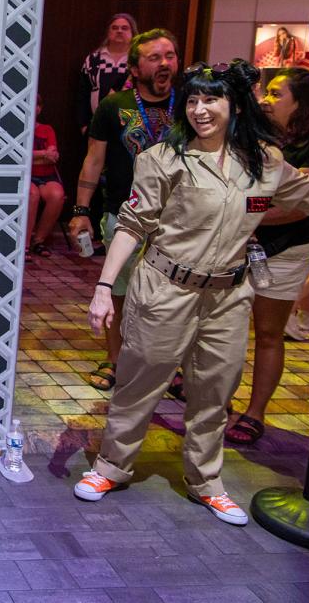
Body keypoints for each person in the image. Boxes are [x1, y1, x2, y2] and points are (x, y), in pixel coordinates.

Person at [74, 60, 309, 526]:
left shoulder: (266, 162)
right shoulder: (163, 159)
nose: (200, 109)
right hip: (165, 289)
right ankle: (111, 467)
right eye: (192, 100)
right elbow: (131, 225)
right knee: (139, 383)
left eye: (211, 99)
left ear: (235, 104)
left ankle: (206, 482)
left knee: (214, 392)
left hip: (229, 297)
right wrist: (104, 287)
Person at [68, 29, 179, 392]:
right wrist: (81, 210)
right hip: (124, 213)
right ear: (134, 67)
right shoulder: (114, 106)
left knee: (173, 296)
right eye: (154, 58)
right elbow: (93, 160)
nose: (164, 63)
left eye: (170, 56)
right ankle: (115, 359)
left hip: (179, 220)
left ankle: (170, 366)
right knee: (118, 289)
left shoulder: (191, 104)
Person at [224, 68, 309, 445]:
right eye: (266, 91)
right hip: (244, 244)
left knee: (267, 332)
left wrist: (245, 212)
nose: (266, 99)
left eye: (277, 94)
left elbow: (299, 205)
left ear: (301, 105)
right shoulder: (259, 137)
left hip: (286, 249)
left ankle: (255, 413)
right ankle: (219, 402)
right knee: (226, 328)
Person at [76, 13, 138, 135]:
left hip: (131, 128)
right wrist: (83, 125)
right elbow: (82, 94)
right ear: (108, 32)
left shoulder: (138, 60)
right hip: (97, 126)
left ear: (133, 33)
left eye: (124, 28)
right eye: (114, 28)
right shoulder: (93, 59)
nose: (119, 31)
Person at [27, 94, 64, 258]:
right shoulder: (20, 130)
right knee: (32, 195)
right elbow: (21, 156)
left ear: (40, 109)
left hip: (47, 175)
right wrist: (43, 154)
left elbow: (53, 156)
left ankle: (38, 241)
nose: (34, 108)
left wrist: (34, 156)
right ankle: (24, 244)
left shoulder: (47, 129)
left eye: (37, 105)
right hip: (27, 176)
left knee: (57, 195)